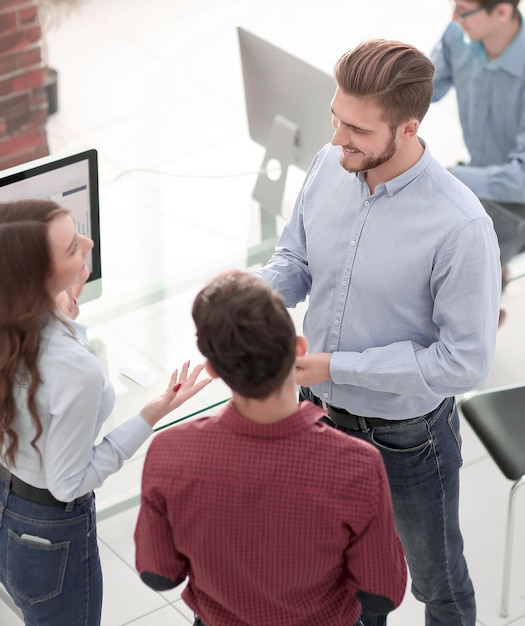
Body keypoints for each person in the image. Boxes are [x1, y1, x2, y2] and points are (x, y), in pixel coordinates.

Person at [254, 39, 501, 626]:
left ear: (408, 127)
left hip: (406, 440)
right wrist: (258, 296)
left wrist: (338, 366)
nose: (338, 138)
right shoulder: (328, 162)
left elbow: (463, 362)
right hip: (317, 416)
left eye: (357, 130)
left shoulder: (461, 226)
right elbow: (296, 255)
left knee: (436, 585)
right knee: (344, 579)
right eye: (335, 118)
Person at [134, 270, 407, 626]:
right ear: (299, 348)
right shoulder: (356, 464)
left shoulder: (169, 453)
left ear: (214, 370)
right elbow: (383, 591)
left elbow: (159, 574)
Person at [0, 199, 211, 626]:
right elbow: (67, 484)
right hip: (51, 532)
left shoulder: (12, 322)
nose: (89, 242)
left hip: (10, 505)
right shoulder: (76, 370)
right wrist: (148, 415)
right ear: (42, 277)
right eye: (73, 248)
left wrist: (55, 313)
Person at [430, 0, 525, 303]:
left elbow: (522, 179)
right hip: (481, 176)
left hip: (518, 198)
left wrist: (450, 176)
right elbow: (421, 87)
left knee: (460, 264)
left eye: (463, 10)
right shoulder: (458, 36)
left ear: (502, 12)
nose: (454, 18)